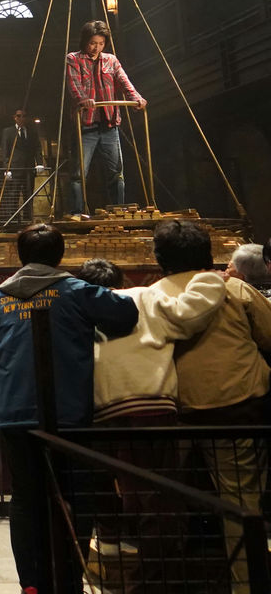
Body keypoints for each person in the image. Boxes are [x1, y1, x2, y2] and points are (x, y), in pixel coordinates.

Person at [0, 223, 138, 594]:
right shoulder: (77, 291)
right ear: (60, 255)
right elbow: (126, 313)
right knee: (76, 495)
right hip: (69, 414)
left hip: (15, 413)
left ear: (21, 256)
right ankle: (69, 579)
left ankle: (30, 583)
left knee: (25, 498)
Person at [75, 257, 226, 589]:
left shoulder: (79, 309)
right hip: (149, 405)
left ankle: (115, 556)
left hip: (97, 412)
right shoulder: (143, 296)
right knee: (158, 498)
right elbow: (190, 315)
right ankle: (153, 580)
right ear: (122, 281)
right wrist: (211, 279)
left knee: (117, 491)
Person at [151, 220, 271, 594]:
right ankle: (246, 586)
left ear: (159, 259)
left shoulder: (150, 296)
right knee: (241, 505)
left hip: (173, 413)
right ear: (208, 253)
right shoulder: (235, 289)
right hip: (237, 408)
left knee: (167, 504)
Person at [65, 20, 146, 217]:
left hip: (109, 124)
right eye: (93, 43)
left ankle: (118, 210)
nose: (96, 47)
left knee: (116, 172)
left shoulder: (111, 60)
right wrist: (83, 99)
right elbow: (74, 85)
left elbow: (124, 81)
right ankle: (77, 212)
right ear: (85, 41)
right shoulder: (73, 59)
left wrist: (136, 98)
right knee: (78, 174)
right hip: (86, 124)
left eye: (101, 43)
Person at [0, 109, 43, 222]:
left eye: (24, 116)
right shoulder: (8, 132)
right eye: (19, 116)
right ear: (15, 117)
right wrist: (7, 169)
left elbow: (37, 148)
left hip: (29, 168)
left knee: (28, 195)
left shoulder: (32, 131)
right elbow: (5, 151)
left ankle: (28, 219)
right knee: (13, 195)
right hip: (15, 169)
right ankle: (14, 220)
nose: (21, 118)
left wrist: (39, 163)